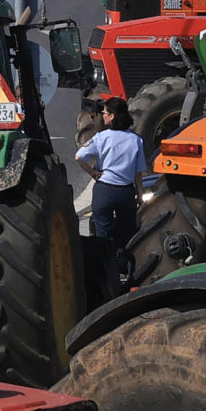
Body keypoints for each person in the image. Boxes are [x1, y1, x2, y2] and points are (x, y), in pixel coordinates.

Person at [75, 97, 144, 292]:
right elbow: (138, 173)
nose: (102, 116)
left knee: (103, 237)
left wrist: (92, 173)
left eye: (104, 113)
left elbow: (78, 157)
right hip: (125, 192)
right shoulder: (136, 140)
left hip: (104, 190)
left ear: (112, 117)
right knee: (128, 234)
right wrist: (139, 194)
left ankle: (107, 280)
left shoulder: (101, 137)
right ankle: (130, 277)